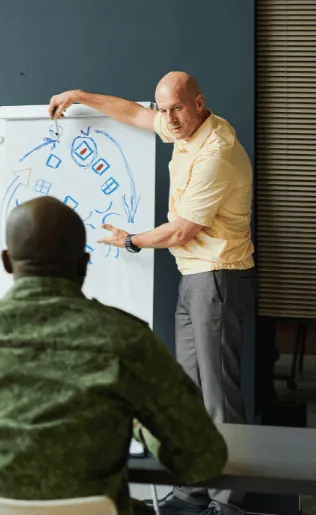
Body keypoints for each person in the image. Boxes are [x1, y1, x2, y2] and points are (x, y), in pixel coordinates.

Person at [0, 196, 227, 515]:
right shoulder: (128, 341)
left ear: (7, 261)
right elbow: (202, 458)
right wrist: (140, 422)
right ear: (84, 263)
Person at [48, 71, 255, 515]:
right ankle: (194, 490)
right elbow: (135, 114)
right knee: (189, 392)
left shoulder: (216, 151)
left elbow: (183, 230)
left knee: (218, 395)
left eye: (177, 108)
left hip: (216, 276)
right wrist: (80, 95)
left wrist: (129, 239)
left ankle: (228, 502)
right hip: (195, 276)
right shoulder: (182, 126)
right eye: (165, 109)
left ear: (199, 103)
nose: (169, 119)